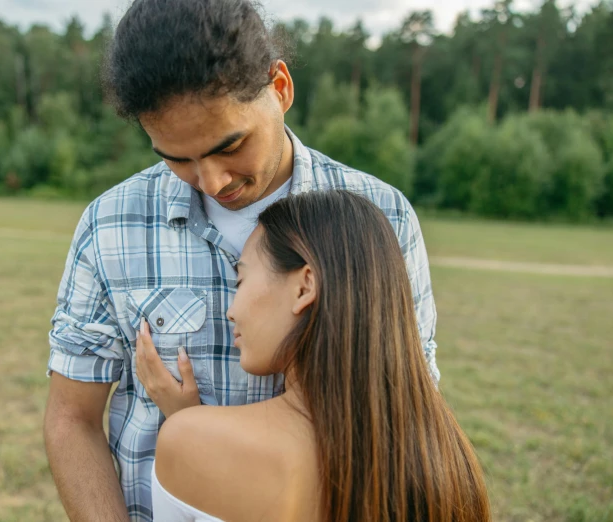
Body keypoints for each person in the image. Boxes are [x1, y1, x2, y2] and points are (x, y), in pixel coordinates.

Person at [43, 0, 439, 520]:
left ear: (280, 88)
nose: (212, 181)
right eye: (177, 158)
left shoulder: (384, 216)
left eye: (230, 146)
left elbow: (407, 413)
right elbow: (72, 419)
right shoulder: (109, 223)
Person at [146, 190, 490, 521]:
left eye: (241, 279)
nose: (231, 311)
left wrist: (187, 425)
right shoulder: (448, 460)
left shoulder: (189, 441)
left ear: (305, 286)